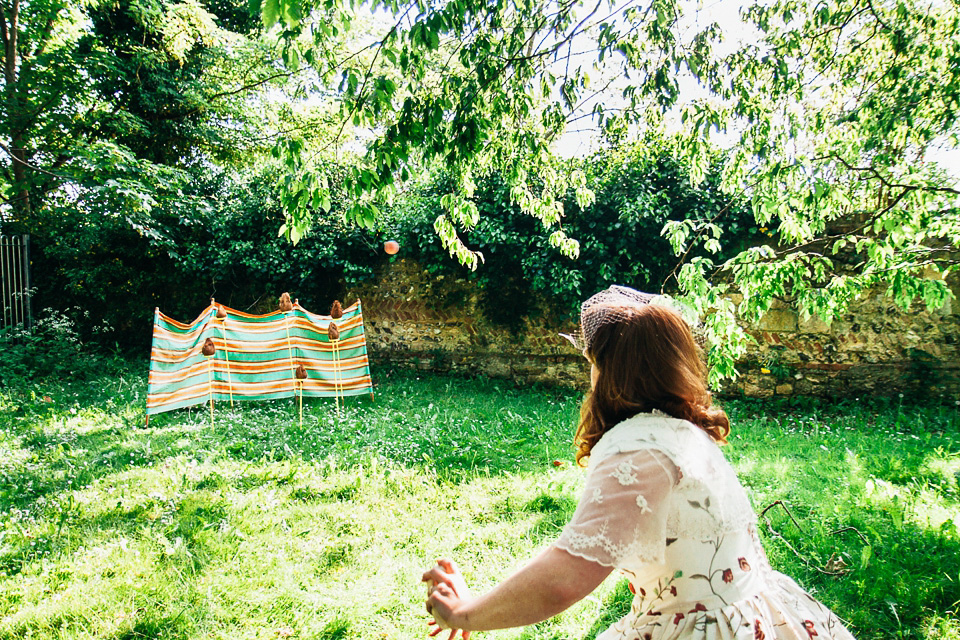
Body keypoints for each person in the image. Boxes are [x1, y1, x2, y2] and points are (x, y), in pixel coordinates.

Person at [422, 286, 856, 640]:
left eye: (592, 364)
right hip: (751, 617)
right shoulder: (684, 432)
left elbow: (567, 575)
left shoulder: (636, 447)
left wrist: (466, 611)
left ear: (610, 372)